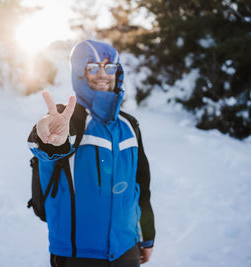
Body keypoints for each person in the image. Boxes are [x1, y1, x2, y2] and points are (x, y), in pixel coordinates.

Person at [28, 40, 155, 267]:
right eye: (92, 67)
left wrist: (146, 235)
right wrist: (50, 140)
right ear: (79, 73)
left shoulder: (129, 125)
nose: (102, 74)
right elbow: (51, 147)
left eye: (109, 67)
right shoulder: (69, 120)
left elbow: (140, 184)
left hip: (127, 249)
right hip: (79, 255)